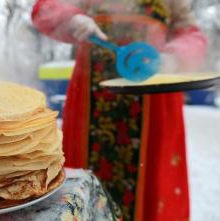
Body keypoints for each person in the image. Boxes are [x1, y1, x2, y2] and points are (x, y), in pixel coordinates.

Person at [32, 0, 207, 220]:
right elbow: (45, 9)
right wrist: (73, 19)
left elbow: (192, 35)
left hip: (154, 102)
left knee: (152, 187)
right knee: (85, 184)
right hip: (90, 95)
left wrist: (174, 57)